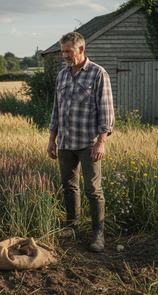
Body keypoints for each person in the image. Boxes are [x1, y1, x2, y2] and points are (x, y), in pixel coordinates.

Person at [47, 32, 115, 252]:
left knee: (93, 189)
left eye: (69, 51)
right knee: (68, 187)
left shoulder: (98, 74)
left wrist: (101, 142)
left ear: (81, 50)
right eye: (63, 51)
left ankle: (98, 234)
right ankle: (72, 226)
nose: (65, 55)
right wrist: (52, 139)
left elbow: (106, 111)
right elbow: (56, 109)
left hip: (88, 143)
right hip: (66, 142)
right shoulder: (62, 76)